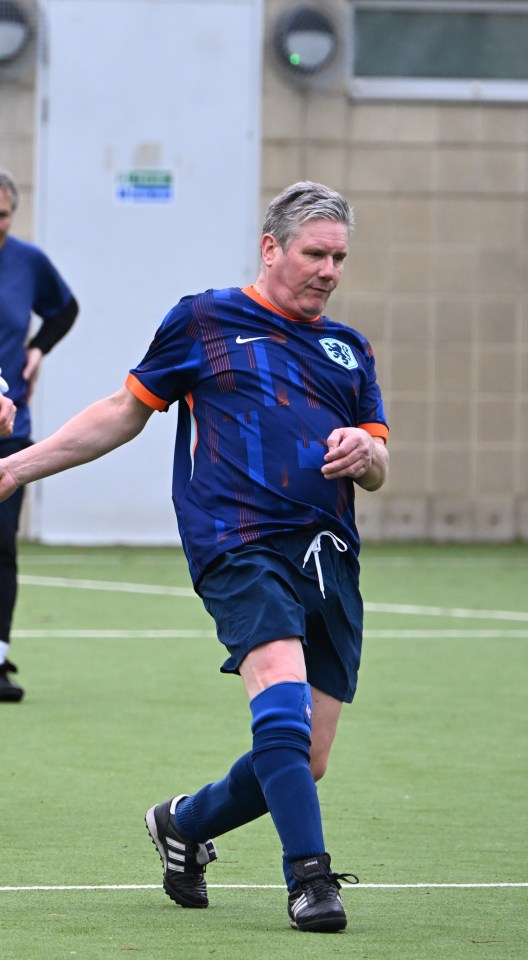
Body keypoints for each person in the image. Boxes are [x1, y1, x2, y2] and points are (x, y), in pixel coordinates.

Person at [0, 181, 389, 932]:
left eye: (340, 257)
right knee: (278, 693)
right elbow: (123, 413)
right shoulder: (205, 319)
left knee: (304, 759)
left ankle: (184, 825)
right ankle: (310, 879)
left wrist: (363, 451)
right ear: (272, 248)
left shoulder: (351, 349)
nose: (329, 270)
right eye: (315, 253)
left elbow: (378, 465)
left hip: (330, 559)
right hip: (238, 545)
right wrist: (16, 468)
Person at [0, 169, 79, 703]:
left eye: (2, 215)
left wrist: (38, 348)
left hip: (10, 430)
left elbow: (64, 309)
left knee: (1, 544)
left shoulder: (27, 261)